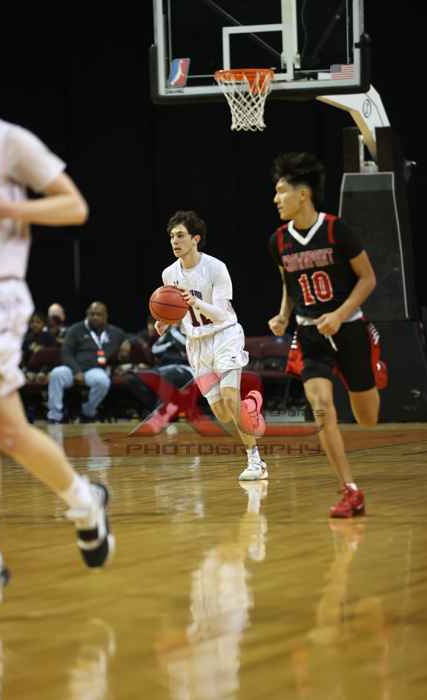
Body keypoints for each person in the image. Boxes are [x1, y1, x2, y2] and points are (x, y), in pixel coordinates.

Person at [0, 117, 114, 603]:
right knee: (9, 433)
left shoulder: (7, 141)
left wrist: (6, 207)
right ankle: (85, 503)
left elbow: (74, 206)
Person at [269, 152, 386, 518]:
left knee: (367, 418)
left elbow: (368, 279)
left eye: (281, 192)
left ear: (303, 194)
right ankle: (350, 490)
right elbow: (289, 285)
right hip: (310, 335)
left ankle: (374, 367)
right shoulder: (278, 241)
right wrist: (283, 315)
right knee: (321, 407)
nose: (275, 199)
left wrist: (339, 314)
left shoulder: (336, 230)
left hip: (349, 328)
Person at [155, 210, 267, 480]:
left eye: (180, 235)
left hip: (225, 335)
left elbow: (221, 314)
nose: (174, 241)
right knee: (223, 413)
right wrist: (165, 320)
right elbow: (178, 311)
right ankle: (250, 406)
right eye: (171, 237)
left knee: (230, 398)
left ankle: (256, 461)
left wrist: (195, 302)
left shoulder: (216, 268)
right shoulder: (169, 273)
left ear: (195, 239)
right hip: (196, 345)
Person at [47, 302, 125, 423]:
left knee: (103, 382)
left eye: (98, 314)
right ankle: (55, 415)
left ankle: (88, 411)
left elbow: (130, 337)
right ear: (87, 314)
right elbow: (66, 353)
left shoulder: (115, 332)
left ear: (106, 316)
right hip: (72, 368)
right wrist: (76, 371)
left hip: (94, 369)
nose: (95, 317)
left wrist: (127, 343)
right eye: (92, 314)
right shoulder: (75, 330)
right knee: (56, 374)